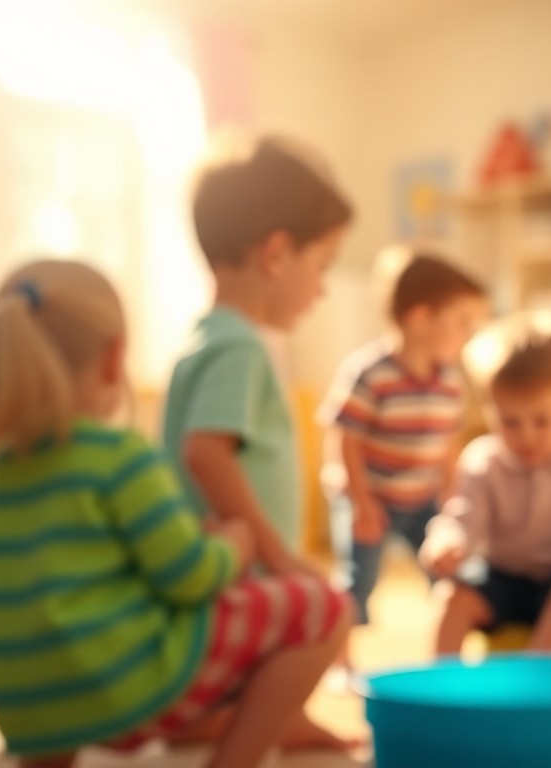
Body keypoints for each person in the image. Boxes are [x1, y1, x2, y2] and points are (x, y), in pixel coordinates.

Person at [0, 260, 350, 768]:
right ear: (113, 357)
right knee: (324, 608)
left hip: (29, 703)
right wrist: (235, 543)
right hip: (126, 687)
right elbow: (189, 577)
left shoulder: (4, 471)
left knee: (63, 642)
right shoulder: (119, 456)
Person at [162, 134, 353, 580]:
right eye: (322, 265)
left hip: (227, 572)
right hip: (243, 578)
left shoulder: (208, 336)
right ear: (277, 255)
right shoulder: (239, 347)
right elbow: (205, 454)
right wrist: (279, 559)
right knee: (331, 611)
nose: (322, 288)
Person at [319, 250, 487, 679]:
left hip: (422, 497)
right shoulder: (369, 372)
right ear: (420, 317)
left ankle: (449, 654)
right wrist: (361, 502)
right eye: (461, 323)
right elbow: (347, 440)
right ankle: (342, 663)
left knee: (447, 570)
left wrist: (451, 493)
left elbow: (448, 439)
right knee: (358, 580)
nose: (468, 335)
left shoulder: (450, 379)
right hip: (368, 497)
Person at [420, 333, 551, 654]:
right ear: (489, 409)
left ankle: (534, 675)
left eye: (542, 421)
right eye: (510, 422)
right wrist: (447, 541)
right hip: (500, 578)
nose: (526, 436)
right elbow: (462, 517)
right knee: (451, 597)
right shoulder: (482, 460)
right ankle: (439, 687)